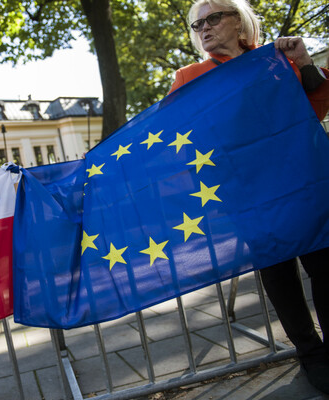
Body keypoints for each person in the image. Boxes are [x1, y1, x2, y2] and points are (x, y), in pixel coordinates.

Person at [170, 0, 329, 394]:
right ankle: (310, 353)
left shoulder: (274, 60)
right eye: (197, 23)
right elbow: (178, 140)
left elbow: (316, 109)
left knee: (325, 267)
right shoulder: (190, 77)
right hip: (247, 194)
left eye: (213, 18)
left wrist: (304, 60)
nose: (203, 28)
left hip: (301, 183)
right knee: (279, 274)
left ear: (239, 21)